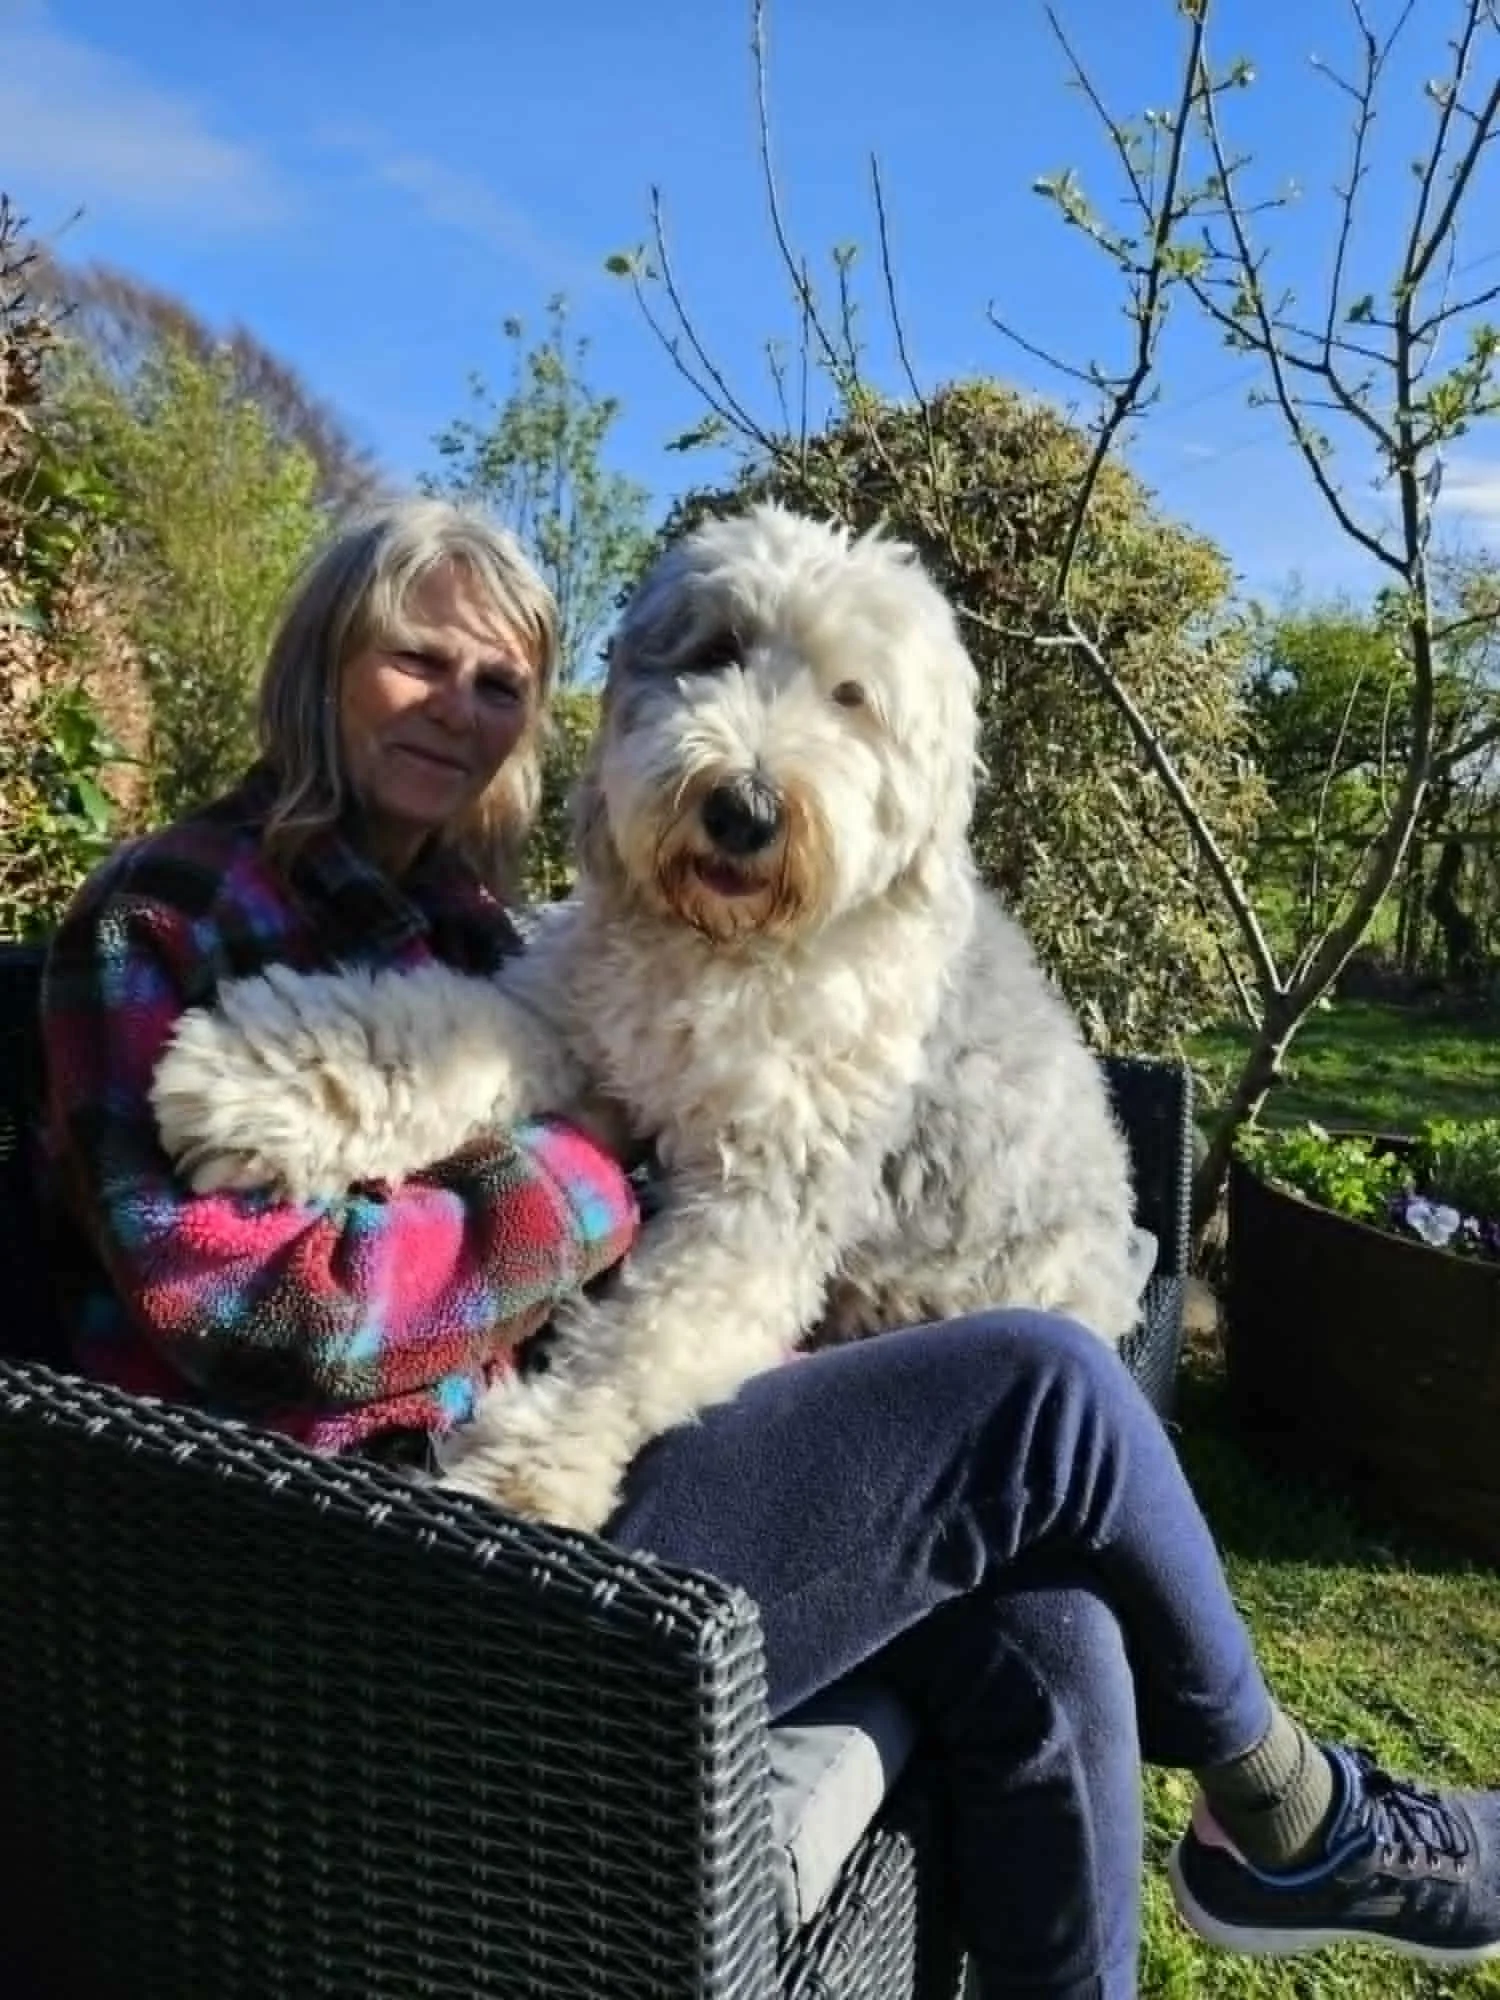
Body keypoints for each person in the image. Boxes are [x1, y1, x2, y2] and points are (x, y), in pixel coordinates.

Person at [40, 497, 1500, 1999]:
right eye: (414, 660)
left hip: (555, 1441)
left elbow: (553, 1076)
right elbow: (275, 1318)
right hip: (352, 1553)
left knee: (1049, 1622)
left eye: (497, 684)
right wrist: (604, 1167)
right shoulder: (165, 922)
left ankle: (1240, 1861)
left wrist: (588, 1136)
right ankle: (1291, 1808)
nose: (461, 713)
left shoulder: (456, 916)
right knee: (1050, 1390)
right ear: (318, 664)